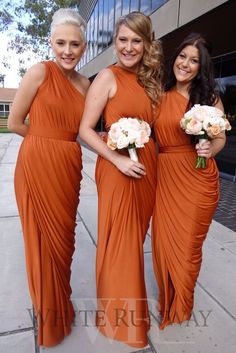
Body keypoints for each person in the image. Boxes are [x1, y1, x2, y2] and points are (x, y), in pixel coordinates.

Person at [79, 11, 163, 348]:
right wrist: (116, 159)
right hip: (118, 169)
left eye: (136, 41)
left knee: (135, 240)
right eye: (123, 40)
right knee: (122, 243)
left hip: (147, 168)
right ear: (115, 43)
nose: (128, 47)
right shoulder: (107, 77)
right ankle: (122, 323)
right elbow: (85, 129)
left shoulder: (149, 78)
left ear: (146, 44)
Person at [8, 8, 89, 347]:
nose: (67, 51)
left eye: (74, 44)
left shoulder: (86, 84)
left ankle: (60, 307)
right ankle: (49, 319)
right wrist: (45, 142)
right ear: (50, 42)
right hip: (37, 165)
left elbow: (84, 131)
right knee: (42, 244)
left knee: (64, 243)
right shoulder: (39, 71)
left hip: (69, 168)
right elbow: (14, 122)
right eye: (60, 43)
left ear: (84, 47)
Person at [152, 32, 226, 330]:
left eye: (194, 60)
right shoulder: (158, 93)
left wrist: (210, 148)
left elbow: (219, 138)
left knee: (188, 247)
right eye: (182, 56)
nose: (185, 64)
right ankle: (166, 297)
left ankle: (181, 303)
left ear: (201, 66)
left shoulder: (209, 99)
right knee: (164, 242)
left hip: (198, 178)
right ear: (175, 58)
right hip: (165, 176)